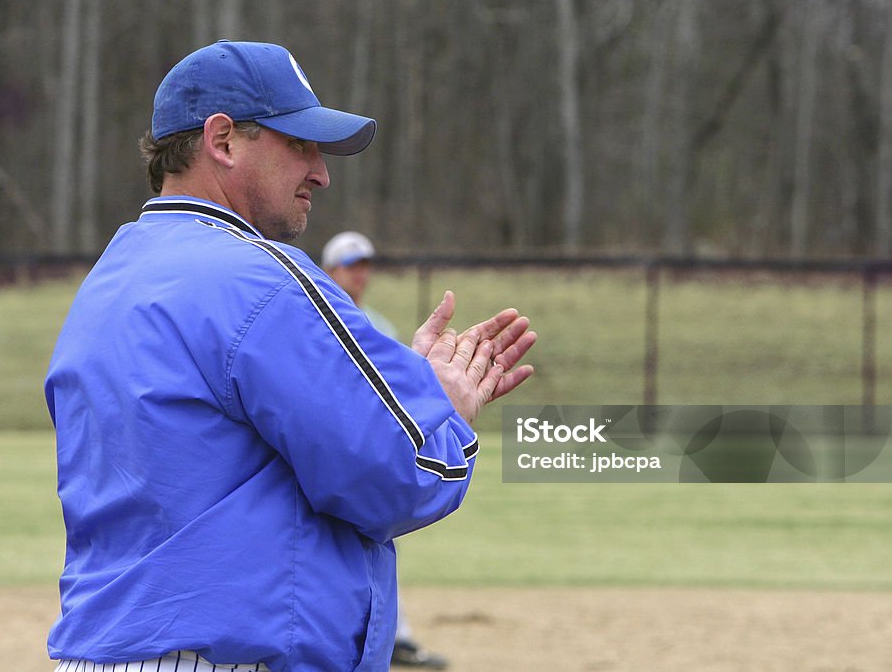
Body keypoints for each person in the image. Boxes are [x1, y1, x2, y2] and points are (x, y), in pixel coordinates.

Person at [46, 40, 535, 672]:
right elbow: (394, 480)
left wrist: (398, 391)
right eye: (298, 143)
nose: (321, 172)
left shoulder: (109, 278)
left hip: (102, 651)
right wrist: (443, 407)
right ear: (222, 140)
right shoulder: (263, 278)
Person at [322, 232, 444, 669]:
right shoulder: (313, 312)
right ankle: (388, 638)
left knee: (377, 542)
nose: (360, 274)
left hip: (371, 446)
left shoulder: (378, 324)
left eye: (365, 265)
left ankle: (397, 637)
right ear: (332, 269)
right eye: (352, 264)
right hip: (334, 447)